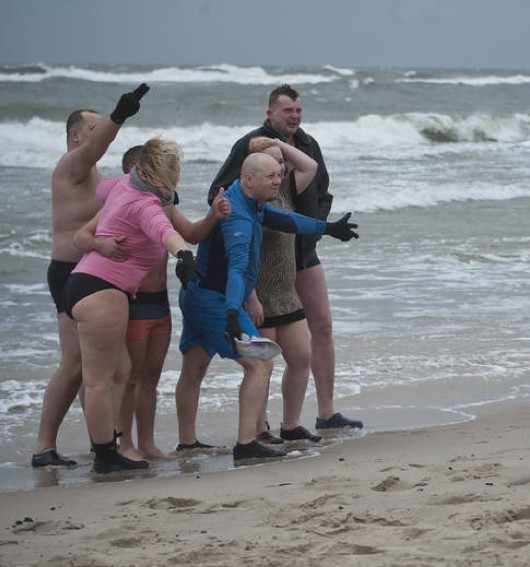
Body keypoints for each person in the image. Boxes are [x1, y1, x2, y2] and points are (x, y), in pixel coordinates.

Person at [176, 152, 358, 462]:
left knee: (194, 366)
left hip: (198, 293)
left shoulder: (249, 201)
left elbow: (286, 220)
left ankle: (187, 443)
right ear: (248, 180)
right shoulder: (237, 215)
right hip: (215, 299)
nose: (278, 181)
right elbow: (237, 267)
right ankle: (247, 443)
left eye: (279, 174)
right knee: (259, 363)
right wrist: (233, 312)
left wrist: (325, 228)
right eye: (271, 176)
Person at [209, 84, 363, 433]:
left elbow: (320, 189)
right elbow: (218, 194)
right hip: (262, 261)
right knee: (265, 347)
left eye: (298, 111)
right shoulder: (250, 148)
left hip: (303, 251)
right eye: (287, 111)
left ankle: (324, 412)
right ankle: (258, 427)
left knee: (319, 327)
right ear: (270, 114)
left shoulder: (307, 146)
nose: (294, 116)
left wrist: (320, 229)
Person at [74, 146, 232, 461]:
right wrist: (101, 245)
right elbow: (81, 236)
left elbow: (189, 234)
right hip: (131, 300)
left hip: (159, 301)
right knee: (129, 377)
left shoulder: (163, 202)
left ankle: (147, 444)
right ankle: (125, 445)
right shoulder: (124, 199)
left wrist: (214, 215)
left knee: (151, 376)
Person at [32, 84, 149, 468]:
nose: (100, 137)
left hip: (90, 272)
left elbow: (121, 193)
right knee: (77, 366)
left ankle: (102, 444)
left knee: (109, 368)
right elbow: (97, 148)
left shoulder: (94, 173)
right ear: (76, 136)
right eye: (94, 129)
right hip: (70, 273)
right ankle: (47, 447)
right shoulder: (73, 164)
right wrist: (119, 116)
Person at [245, 136, 322, 446]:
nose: (282, 167)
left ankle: (290, 424)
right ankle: (257, 426)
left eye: (282, 162)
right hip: (260, 294)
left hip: (287, 293)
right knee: (262, 366)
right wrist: (250, 296)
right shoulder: (249, 199)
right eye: (274, 163)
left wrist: (277, 142)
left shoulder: (286, 188)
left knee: (302, 358)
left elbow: (310, 165)